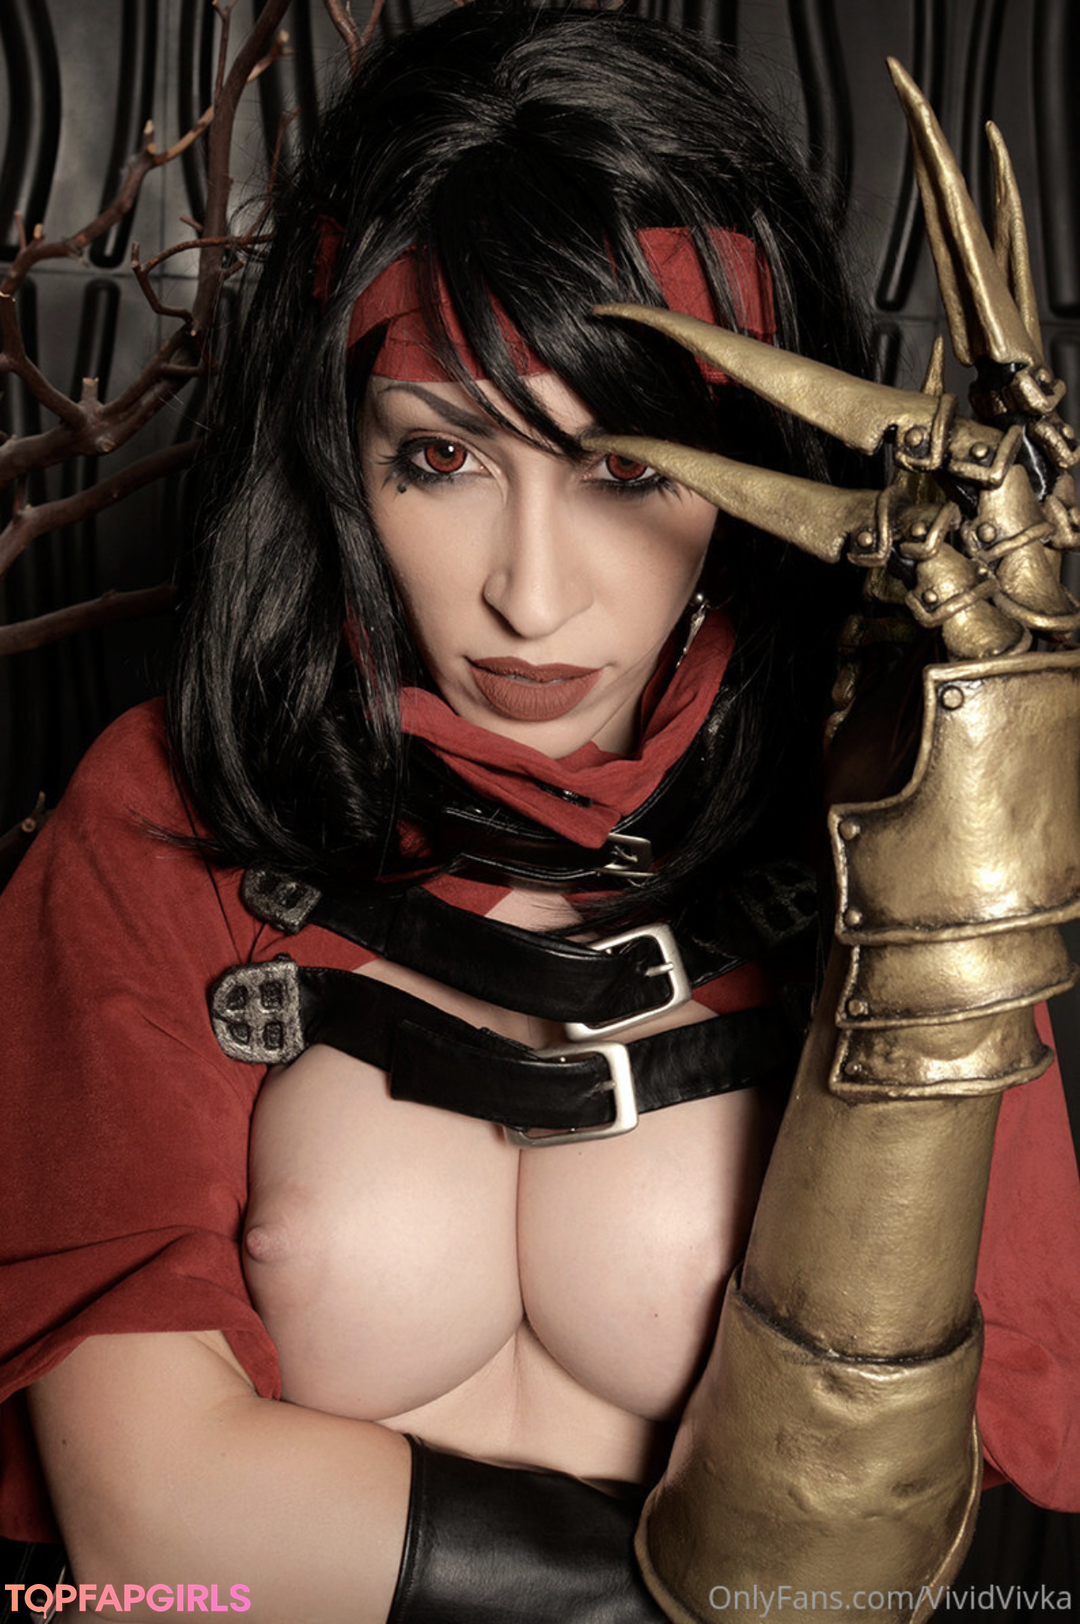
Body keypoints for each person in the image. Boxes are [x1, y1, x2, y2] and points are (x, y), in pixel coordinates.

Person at [2, 5, 1079, 1622]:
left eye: (630, 472)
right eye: (442, 456)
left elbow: (939, 1504)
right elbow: (153, 1546)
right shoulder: (161, 816)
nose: (531, 594)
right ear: (339, 456)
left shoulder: (893, 832)